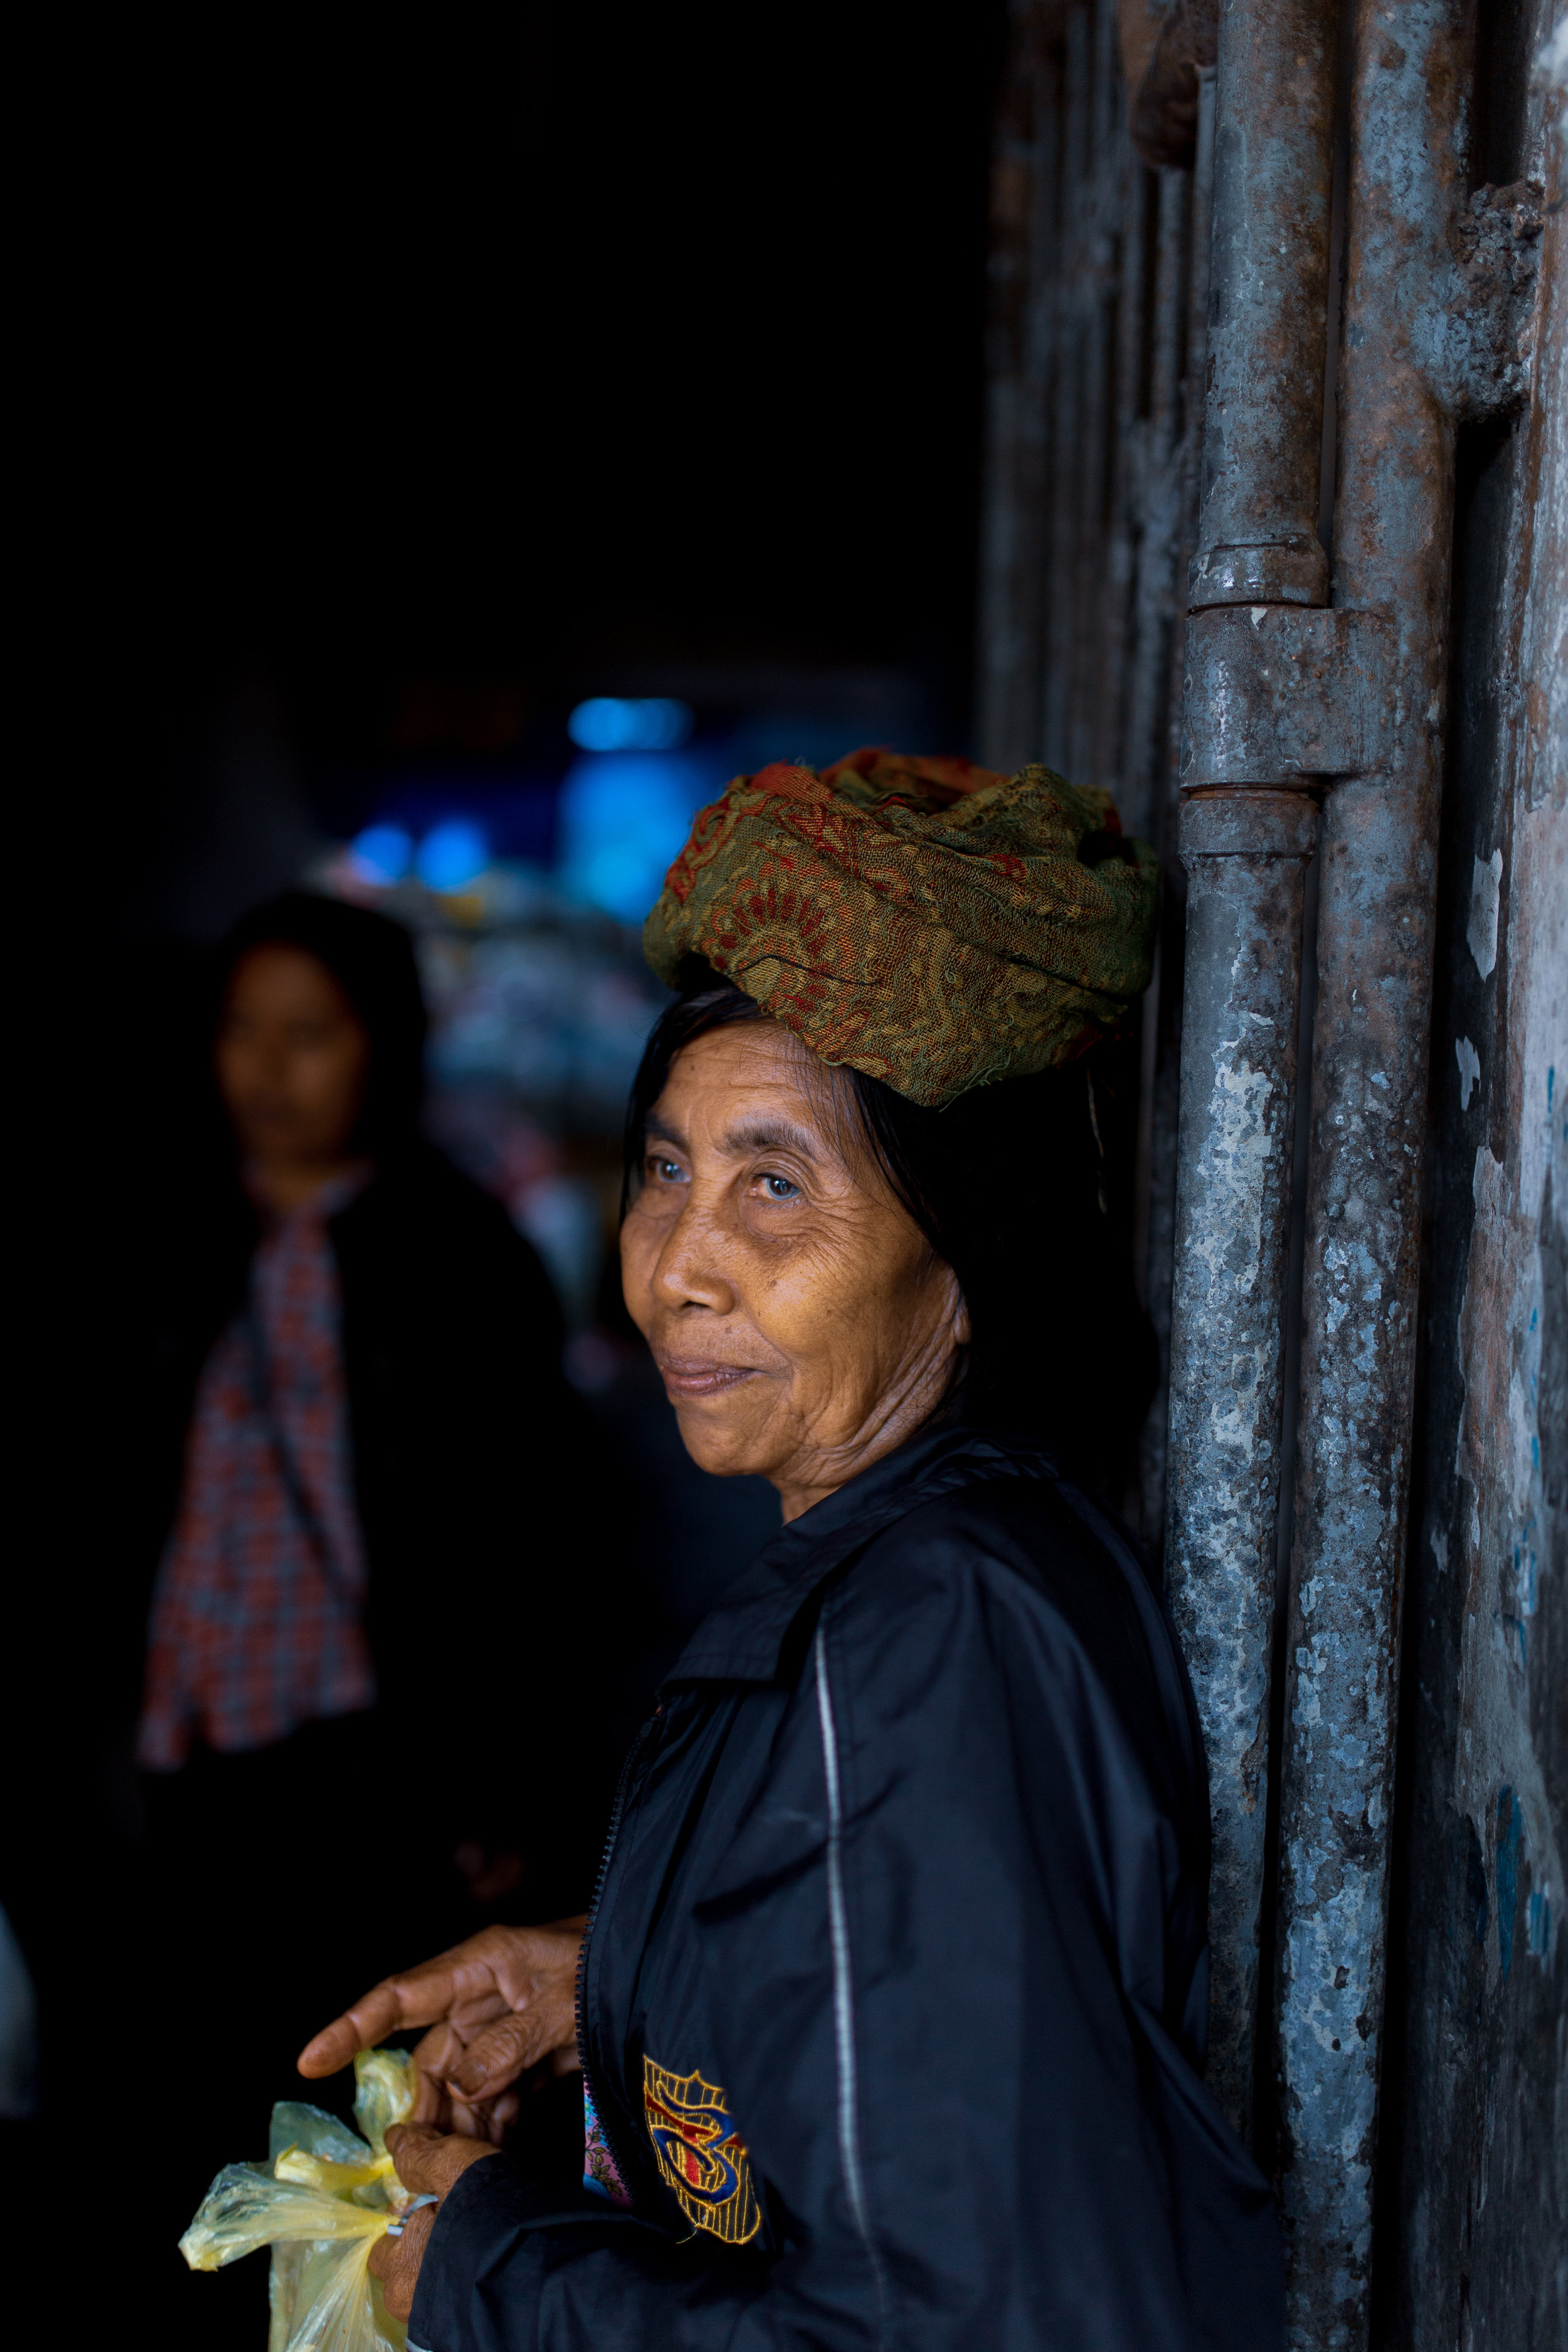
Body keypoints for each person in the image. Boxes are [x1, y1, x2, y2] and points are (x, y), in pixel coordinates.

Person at [297, 755, 1285, 2350]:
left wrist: (488, 2269)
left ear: (963, 1262)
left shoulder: (930, 1640)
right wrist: (619, 1983)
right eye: (667, 1171)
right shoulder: (914, 1569)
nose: (680, 1265)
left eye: (775, 1186)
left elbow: (954, 2329)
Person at [119, 893, 615, 2341]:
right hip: (166, 1778)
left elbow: (544, 1552)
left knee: (337, 2132)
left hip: (369, 1785)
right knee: (154, 2123)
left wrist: (511, 1784)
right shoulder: (149, 1240)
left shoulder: (462, 1262)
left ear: (382, 1050)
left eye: (309, 1036)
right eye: (243, 1032)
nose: (268, 1069)